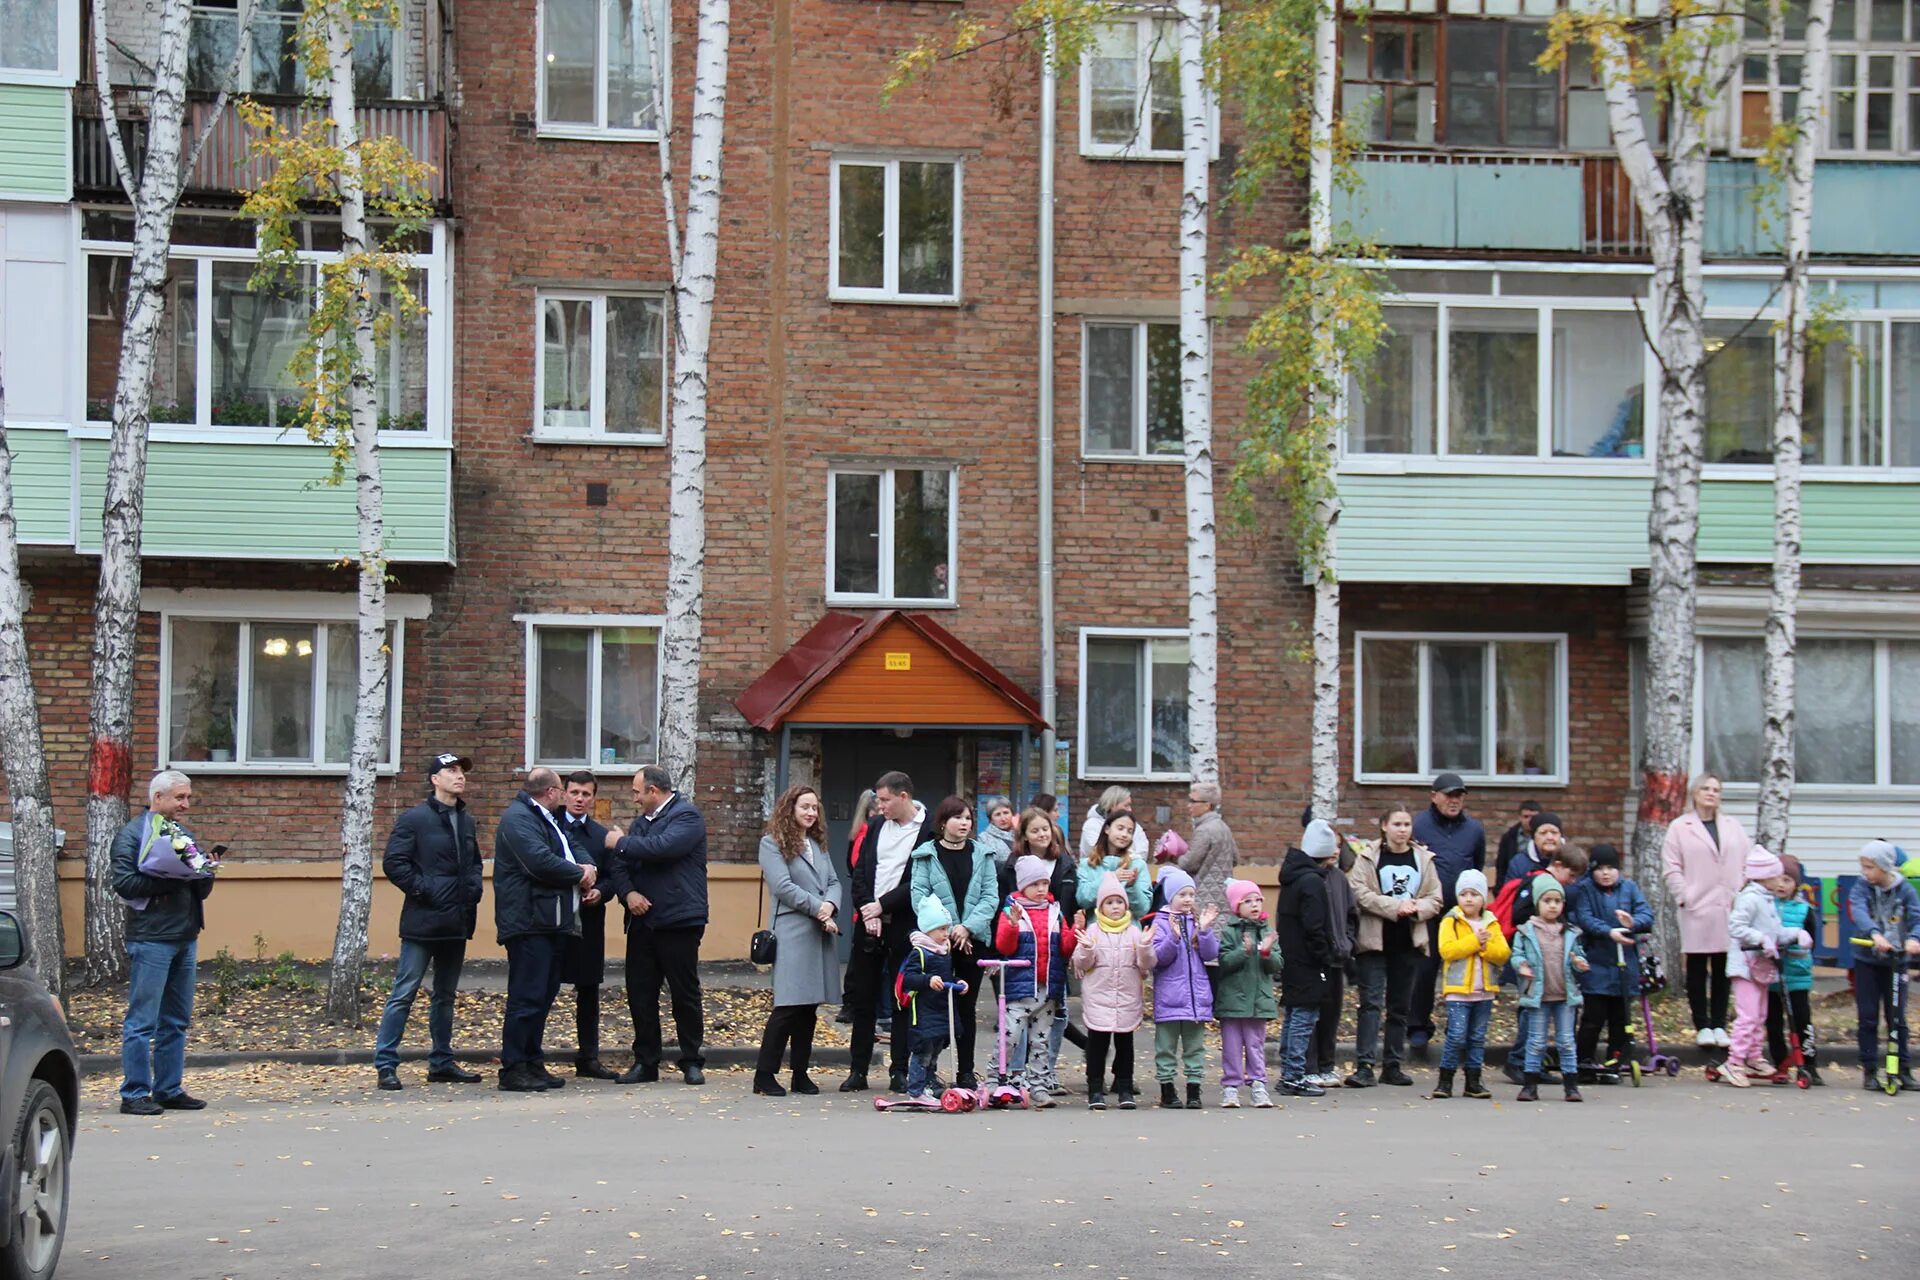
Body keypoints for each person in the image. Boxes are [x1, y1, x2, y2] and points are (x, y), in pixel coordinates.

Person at [374, 752, 486, 1091]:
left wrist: (473, 890)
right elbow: (394, 863)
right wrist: (427, 890)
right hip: (423, 921)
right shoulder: (415, 819)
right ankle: (386, 1063)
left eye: (461, 771)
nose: (459, 776)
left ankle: (441, 1062)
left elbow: (475, 862)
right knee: (404, 991)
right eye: (450, 771)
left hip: (456, 919)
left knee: (446, 995)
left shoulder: (466, 821)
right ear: (434, 779)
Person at [113, 770, 217, 1115]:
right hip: (152, 938)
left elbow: (198, 886)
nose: (186, 804)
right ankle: (134, 1093)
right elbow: (126, 883)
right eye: (180, 798)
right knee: (142, 1021)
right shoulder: (132, 835)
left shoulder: (181, 834)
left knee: (176, 1020)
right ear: (157, 798)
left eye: (188, 797)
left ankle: (168, 1088)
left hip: (185, 935)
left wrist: (205, 871)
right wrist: (173, 879)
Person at [604, 764, 710, 1086]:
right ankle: (646, 1062)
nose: (634, 798)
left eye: (637, 792)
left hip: (679, 919)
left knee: (684, 993)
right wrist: (629, 893)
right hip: (642, 921)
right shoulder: (639, 824)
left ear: (653, 791)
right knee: (640, 993)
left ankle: (691, 1060)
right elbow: (619, 868)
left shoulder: (687, 817)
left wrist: (619, 842)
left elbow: (662, 849)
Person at [493, 768, 597, 1092]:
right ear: (552, 792)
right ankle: (513, 1068)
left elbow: (571, 847)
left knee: (542, 996)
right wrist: (578, 875)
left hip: (548, 922)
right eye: (564, 791)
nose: (568, 797)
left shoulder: (544, 819)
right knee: (526, 996)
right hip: (528, 922)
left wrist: (588, 864)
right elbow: (538, 861)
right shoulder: (519, 819)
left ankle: (532, 1062)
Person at [843, 772, 935, 1092]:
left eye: (884, 800)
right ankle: (858, 1069)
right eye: (878, 800)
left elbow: (920, 882)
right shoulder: (878, 827)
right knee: (864, 999)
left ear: (904, 797)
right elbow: (861, 872)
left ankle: (899, 1069)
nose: (879, 806)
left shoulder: (928, 830)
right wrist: (868, 908)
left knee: (901, 999)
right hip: (870, 923)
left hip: (905, 925)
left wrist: (883, 905)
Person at [752, 785, 842, 1096]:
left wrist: (831, 904)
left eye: (814, 808)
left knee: (808, 1008)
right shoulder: (772, 843)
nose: (810, 813)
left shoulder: (817, 844)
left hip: (819, 934)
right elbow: (782, 886)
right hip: (792, 932)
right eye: (804, 806)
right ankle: (764, 1074)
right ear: (789, 808)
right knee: (788, 1006)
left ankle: (800, 1074)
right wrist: (819, 908)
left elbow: (833, 881)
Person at [906, 796, 999, 1088]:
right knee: (935, 1006)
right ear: (943, 822)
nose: (964, 823)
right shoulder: (926, 855)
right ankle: (928, 1071)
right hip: (938, 942)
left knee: (966, 1006)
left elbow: (989, 897)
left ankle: (966, 1071)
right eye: (958, 817)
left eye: (968, 818)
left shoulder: (983, 854)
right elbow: (920, 896)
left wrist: (967, 928)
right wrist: (948, 928)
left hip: (971, 941)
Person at [1346, 807, 1442, 1089]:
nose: (1403, 829)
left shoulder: (1423, 859)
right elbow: (1358, 892)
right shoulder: (1368, 857)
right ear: (1384, 826)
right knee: (1370, 1004)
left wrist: (1415, 908)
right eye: (1397, 824)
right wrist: (1394, 906)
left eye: (1407, 824)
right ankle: (1364, 1065)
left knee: (1399, 1007)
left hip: (1408, 943)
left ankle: (1393, 1065)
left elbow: (1435, 897)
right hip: (1374, 942)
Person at [1660, 774, 1751, 1049]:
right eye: (1706, 788)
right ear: (1694, 793)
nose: (1711, 793)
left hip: (1729, 905)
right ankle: (1702, 1024)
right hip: (1697, 905)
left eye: (1716, 790)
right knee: (1698, 966)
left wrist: (1743, 892)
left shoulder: (1732, 826)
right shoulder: (1680, 827)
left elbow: (1748, 861)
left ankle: (1720, 1024)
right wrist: (1684, 895)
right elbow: (1671, 866)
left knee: (1725, 966)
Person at [1003, 805, 1087, 1094]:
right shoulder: (1013, 864)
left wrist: (1073, 935)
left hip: (1056, 946)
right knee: (1020, 1016)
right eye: (1035, 829)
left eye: (1046, 829)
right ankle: (1014, 1075)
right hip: (1022, 949)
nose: (1042, 834)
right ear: (1024, 835)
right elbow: (1006, 906)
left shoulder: (1064, 863)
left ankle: (1045, 1073)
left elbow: (1073, 904)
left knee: (1055, 1014)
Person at [1407, 773, 1486, 1058]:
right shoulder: (1418, 825)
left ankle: (1460, 1032)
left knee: (1462, 972)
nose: (1454, 801)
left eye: (1459, 796)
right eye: (1449, 795)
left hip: (1460, 915)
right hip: (1429, 911)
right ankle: (1418, 1027)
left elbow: (1477, 867)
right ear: (1434, 796)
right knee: (1424, 970)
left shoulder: (1474, 830)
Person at [992, 855, 1078, 1108]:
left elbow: (1063, 949)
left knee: (1041, 1041)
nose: (1042, 889)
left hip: (1047, 989)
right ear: (1022, 886)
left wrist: (1074, 933)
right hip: (1020, 989)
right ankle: (995, 1080)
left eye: (1045, 883)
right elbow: (1004, 947)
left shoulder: (1055, 912)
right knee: (1010, 1036)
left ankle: (1039, 1085)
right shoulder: (1011, 910)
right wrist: (1012, 924)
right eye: (1035, 884)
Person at [1499, 843, 1589, 1084]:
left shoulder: (1545, 882)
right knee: (1532, 1011)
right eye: (1571, 875)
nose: (1571, 882)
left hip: (1546, 959)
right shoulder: (1538, 883)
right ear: (1558, 866)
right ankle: (1519, 1061)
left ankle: (1532, 1063)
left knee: (1536, 1011)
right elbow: (1519, 916)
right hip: (1531, 959)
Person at [1072, 872, 1155, 1111]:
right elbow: (1081, 964)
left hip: (1127, 998)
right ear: (1101, 906)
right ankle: (1095, 1089)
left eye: (1119, 902)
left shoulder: (1135, 932)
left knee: (1125, 1046)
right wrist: (1086, 949)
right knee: (1097, 1047)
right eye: (1109, 902)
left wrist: (1146, 947)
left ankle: (1125, 1088)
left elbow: (1146, 965)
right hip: (1099, 998)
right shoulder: (1092, 931)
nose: (1115, 907)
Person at [1567, 844, 1653, 1076]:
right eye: (1600, 868)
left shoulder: (1629, 888)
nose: (1606, 873)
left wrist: (1631, 922)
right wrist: (1609, 931)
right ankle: (1584, 1060)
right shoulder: (1586, 890)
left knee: (1621, 1018)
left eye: (1611, 868)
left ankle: (1615, 1060)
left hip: (1625, 966)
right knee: (1593, 1017)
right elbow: (1585, 918)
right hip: (1597, 963)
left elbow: (1647, 914)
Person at [1276, 820, 1342, 1097]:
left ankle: (1289, 1073)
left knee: (1294, 1016)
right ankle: (1294, 1075)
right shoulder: (1312, 881)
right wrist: (1324, 956)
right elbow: (1315, 926)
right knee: (1304, 1017)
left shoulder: (1293, 877)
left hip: (1292, 957)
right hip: (1308, 960)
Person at [1848, 839, 1920, 1091]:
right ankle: (1869, 1069)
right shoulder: (1861, 887)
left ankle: (1903, 1069)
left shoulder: (1905, 890)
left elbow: (1916, 917)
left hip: (1897, 963)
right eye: (1863, 867)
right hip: (1867, 961)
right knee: (1868, 1017)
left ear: (1884, 867)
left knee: (1897, 1018)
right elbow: (1859, 911)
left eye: (1869, 867)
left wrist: (1913, 939)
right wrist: (1875, 935)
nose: (1865, 872)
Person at [1721, 849, 1797, 1089]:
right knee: (1748, 1015)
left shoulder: (1766, 899)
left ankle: (1753, 1057)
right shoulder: (1750, 898)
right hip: (1745, 965)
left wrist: (1795, 935)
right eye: (1777, 876)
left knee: (1760, 1015)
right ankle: (1734, 1062)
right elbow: (1736, 926)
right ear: (1764, 877)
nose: (1780, 880)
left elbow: (1773, 931)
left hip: (1760, 966)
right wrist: (1760, 939)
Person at [557, 771, 615, 1080]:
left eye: (586, 794)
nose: (580, 799)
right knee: (544, 985)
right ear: (564, 793)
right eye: (575, 792)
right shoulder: (549, 826)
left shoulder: (599, 835)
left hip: (590, 921)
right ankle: (532, 1054)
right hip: (553, 920)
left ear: (593, 798)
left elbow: (612, 876)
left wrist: (600, 892)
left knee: (589, 989)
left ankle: (588, 1056)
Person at [1431, 869, 1508, 1100]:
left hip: (1483, 992)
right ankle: (1445, 1080)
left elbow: (1503, 953)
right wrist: (1475, 941)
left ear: (1483, 898)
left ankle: (1474, 1081)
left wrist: (1486, 948)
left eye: (1474, 894)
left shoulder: (1491, 923)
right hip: (1458, 992)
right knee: (1456, 1036)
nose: (1468, 899)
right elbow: (1447, 950)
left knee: (1477, 1037)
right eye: (1464, 893)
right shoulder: (1451, 921)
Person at [1148, 867, 1220, 1109]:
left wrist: (1206, 930)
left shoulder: (1197, 922)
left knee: (1195, 1048)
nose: (1188, 899)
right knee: (1166, 1048)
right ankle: (1167, 1090)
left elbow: (1210, 954)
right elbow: (1157, 959)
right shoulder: (1160, 923)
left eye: (1191, 894)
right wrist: (1174, 938)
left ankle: (1193, 1090)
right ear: (1171, 897)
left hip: (1196, 998)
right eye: (1182, 895)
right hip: (1170, 997)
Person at [1212, 879, 1280, 1109]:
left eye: (1257, 900)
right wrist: (1244, 951)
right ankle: (1231, 1086)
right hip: (1232, 1000)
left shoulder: (1268, 932)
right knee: (1231, 1045)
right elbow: (1224, 962)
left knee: (1255, 1044)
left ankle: (1258, 1084)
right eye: (1247, 901)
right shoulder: (1230, 932)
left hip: (1258, 1001)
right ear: (1236, 907)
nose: (1254, 905)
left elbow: (1277, 965)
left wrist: (1267, 952)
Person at [898, 896, 968, 1102]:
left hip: (941, 1010)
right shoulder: (920, 952)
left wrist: (958, 982)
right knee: (923, 1052)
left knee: (935, 1050)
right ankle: (916, 1090)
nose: (946, 934)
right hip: (924, 1012)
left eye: (947, 928)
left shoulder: (944, 951)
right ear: (928, 930)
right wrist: (928, 980)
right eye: (941, 929)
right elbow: (909, 979)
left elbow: (947, 977)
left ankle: (929, 1083)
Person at [1765, 854, 1822, 1085]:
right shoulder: (1763, 905)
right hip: (1770, 975)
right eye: (1777, 879)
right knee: (1773, 1022)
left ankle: (1809, 1065)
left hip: (1796, 974)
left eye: (1787, 880)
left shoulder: (1803, 909)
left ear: (1796, 884)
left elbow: (1812, 940)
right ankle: (1780, 1063)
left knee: (1802, 1020)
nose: (1781, 884)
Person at [1310, 829, 1360, 1090]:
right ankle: (1310, 1066)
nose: (1335, 850)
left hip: (1337, 957)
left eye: (1339, 846)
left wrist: (1347, 942)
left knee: (1332, 1014)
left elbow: (1351, 915)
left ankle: (1327, 1065)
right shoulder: (1310, 878)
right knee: (1311, 1014)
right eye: (1331, 845)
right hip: (1315, 958)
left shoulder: (1340, 878)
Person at [1076, 809, 1151, 920]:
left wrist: (1131, 887)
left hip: (1129, 933)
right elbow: (1082, 900)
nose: (1124, 834)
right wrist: (1111, 878)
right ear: (1107, 829)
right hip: (1096, 932)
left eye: (1130, 831)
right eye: (1120, 828)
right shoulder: (1087, 864)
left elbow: (1143, 909)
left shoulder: (1138, 865)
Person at [1178, 782, 1239, 917]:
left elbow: (1189, 864)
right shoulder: (1224, 827)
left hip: (1204, 898)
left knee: (1204, 935)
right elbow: (1235, 858)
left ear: (1207, 805)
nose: (1189, 805)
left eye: (1193, 801)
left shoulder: (1204, 830)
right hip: (1225, 896)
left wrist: (1174, 856)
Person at [1080, 785, 1147, 859]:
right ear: (1112, 805)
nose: (1130, 809)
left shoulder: (1134, 826)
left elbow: (1143, 851)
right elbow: (1097, 851)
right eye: (1126, 805)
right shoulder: (1092, 825)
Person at [1503, 810, 1559, 891]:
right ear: (1534, 837)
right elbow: (1510, 893)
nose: (1550, 837)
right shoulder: (1519, 862)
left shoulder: (1572, 860)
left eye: (1554, 832)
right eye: (1543, 833)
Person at [1494, 800, 1542, 892]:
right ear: (1520, 817)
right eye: (1526, 817)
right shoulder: (1509, 837)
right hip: (1514, 885)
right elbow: (1501, 866)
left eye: (1534, 817)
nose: (1530, 820)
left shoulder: (1547, 838)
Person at [979, 798, 1018, 868]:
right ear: (991, 819)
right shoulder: (983, 838)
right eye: (998, 814)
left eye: (1006, 813)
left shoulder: (1021, 833)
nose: (1003, 818)